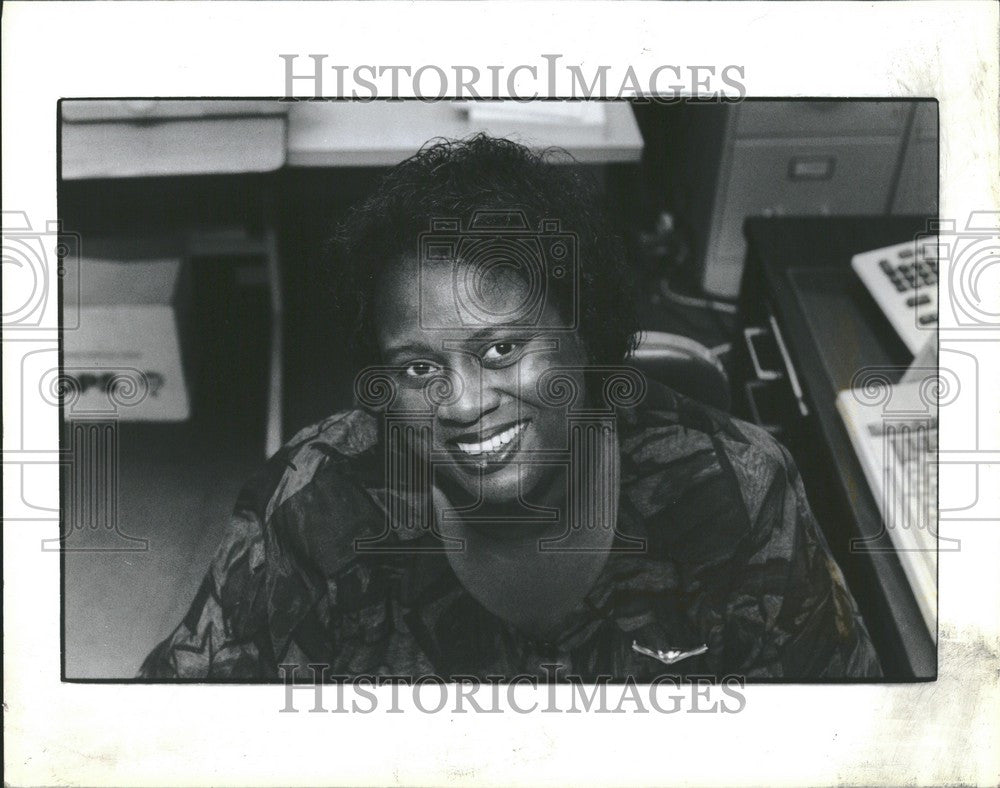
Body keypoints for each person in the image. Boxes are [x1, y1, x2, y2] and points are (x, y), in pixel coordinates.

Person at [141, 134, 881, 681]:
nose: (462, 404)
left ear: (586, 337)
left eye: (500, 350)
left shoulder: (737, 494)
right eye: (419, 366)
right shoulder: (312, 506)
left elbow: (845, 738)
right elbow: (169, 730)